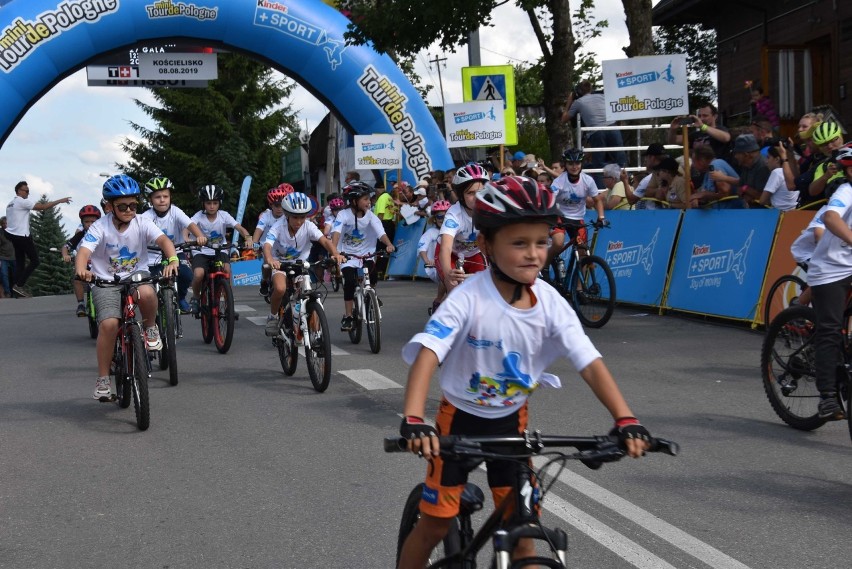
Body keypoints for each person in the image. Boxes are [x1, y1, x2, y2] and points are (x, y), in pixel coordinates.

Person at [395, 175, 651, 568]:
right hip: (458, 421)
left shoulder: (550, 302)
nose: (534, 254)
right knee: (433, 525)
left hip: (512, 424)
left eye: (541, 241)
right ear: (486, 245)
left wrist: (626, 418)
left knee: (525, 540)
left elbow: (589, 361)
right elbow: (429, 352)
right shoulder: (468, 297)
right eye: (519, 243)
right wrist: (415, 419)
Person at [75, 174, 180, 401]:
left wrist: (172, 259)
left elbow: (163, 241)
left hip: (137, 277)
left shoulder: (142, 222)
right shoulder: (100, 227)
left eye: (134, 204)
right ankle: (103, 379)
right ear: (110, 206)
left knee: (148, 291)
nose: (130, 210)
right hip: (106, 282)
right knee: (110, 324)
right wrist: (83, 269)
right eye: (123, 206)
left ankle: (150, 328)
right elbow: (84, 251)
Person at [801, 144, 852, 420]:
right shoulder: (846, 192)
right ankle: (828, 398)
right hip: (831, 269)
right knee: (830, 330)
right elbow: (831, 217)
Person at [262, 192, 344, 335]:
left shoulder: (309, 226)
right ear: (287, 215)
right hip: (280, 263)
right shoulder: (277, 226)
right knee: (280, 289)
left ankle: (311, 324)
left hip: (300, 264)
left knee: (307, 291)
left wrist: (335, 253)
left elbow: (324, 241)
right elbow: (267, 246)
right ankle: (273, 316)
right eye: (295, 217)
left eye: (302, 217)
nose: (299, 222)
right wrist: (270, 259)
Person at [330, 181, 395, 331]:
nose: (369, 202)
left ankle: (371, 293)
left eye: (369, 199)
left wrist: (389, 244)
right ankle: (348, 316)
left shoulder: (371, 216)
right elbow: (336, 233)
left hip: (367, 254)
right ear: (354, 201)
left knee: (373, 276)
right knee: (350, 282)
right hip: (347, 256)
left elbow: (381, 233)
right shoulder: (343, 215)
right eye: (365, 199)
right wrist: (334, 252)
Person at [140, 177, 207, 313]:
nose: (162, 200)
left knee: (187, 275)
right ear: (150, 200)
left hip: (175, 252)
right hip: (153, 255)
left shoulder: (175, 211)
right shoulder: (146, 216)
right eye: (158, 197)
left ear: (171, 197)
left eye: (166, 196)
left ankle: (181, 297)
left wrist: (200, 235)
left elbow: (190, 224)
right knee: (150, 284)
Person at [188, 185, 253, 315]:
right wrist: (187, 239)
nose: (212, 206)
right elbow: (187, 227)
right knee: (199, 274)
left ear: (220, 203)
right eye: (208, 203)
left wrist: (248, 238)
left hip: (219, 250)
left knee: (227, 270)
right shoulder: (198, 216)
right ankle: (195, 297)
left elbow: (239, 228)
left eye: (215, 203)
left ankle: (229, 303)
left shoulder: (224, 215)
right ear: (203, 203)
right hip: (201, 251)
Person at [4, 181, 72, 297]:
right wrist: (60, 200)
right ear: (19, 191)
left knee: (20, 262)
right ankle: (19, 285)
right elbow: (43, 207)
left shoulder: (10, 203)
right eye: (26, 191)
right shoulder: (21, 202)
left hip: (12, 235)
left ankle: (16, 290)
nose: (28, 194)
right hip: (22, 236)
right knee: (35, 261)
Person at [547, 148, 605, 269]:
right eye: (570, 163)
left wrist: (601, 217)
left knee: (583, 253)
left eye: (577, 163)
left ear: (581, 164)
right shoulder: (559, 181)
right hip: (560, 216)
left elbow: (597, 200)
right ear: (566, 165)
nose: (574, 167)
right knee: (558, 243)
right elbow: (550, 198)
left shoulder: (588, 180)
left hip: (578, 219)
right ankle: (545, 266)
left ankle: (579, 288)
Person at [437, 164, 491, 293]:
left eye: (480, 192)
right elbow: (446, 248)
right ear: (461, 195)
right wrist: (448, 273)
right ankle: (440, 301)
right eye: (470, 193)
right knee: (454, 289)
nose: (477, 197)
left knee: (484, 289)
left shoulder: (490, 211)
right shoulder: (454, 215)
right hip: (451, 254)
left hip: (474, 254)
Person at [563, 80, 626, 186]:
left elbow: (564, 119)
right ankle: (625, 187)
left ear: (577, 92)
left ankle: (600, 192)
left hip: (596, 132)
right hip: (613, 128)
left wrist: (569, 101)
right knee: (621, 161)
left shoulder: (578, 102)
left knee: (599, 165)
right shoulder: (603, 96)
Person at [61, 205, 102, 316]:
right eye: (86, 222)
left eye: (93, 222)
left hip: (99, 266)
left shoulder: (103, 233)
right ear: (82, 223)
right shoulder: (80, 235)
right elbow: (66, 247)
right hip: (84, 264)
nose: (89, 224)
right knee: (77, 278)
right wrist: (66, 255)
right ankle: (81, 304)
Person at [255, 185, 293, 297]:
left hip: (283, 246)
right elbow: (258, 230)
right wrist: (254, 243)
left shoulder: (288, 215)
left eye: (281, 205)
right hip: (268, 246)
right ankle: (265, 281)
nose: (279, 208)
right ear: (271, 205)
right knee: (267, 265)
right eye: (276, 205)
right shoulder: (265, 216)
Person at [418, 199, 451, 314]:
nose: (442, 219)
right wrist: (427, 260)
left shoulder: (454, 231)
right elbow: (422, 248)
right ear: (434, 219)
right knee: (447, 276)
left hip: (454, 263)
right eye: (439, 217)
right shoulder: (431, 232)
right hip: (436, 266)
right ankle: (438, 300)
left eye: (445, 216)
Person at [667, 104, 732, 161]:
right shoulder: (695, 134)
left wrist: (702, 126)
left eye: (705, 116)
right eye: (699, 116)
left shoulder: (720, 129)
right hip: (699, 171)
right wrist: (673, 129)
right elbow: (673, 141)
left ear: (715, 116)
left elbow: (726, 138)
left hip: (716, 170)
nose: (701, 118)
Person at [807, 121, 846, 203]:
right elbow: (812, 192)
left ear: (841, 136)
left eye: (833, 140)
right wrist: (826, 176)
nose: (830, 146)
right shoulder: (823, 166)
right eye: (824, 144)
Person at [758, 144, 799, 211]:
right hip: (795, 213)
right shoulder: (794, 170)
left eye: (768, 157)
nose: (766, 161)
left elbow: (762, 201)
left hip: (779, 215)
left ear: (777, 159)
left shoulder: (777, 172)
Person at [629, 143, 667, 209]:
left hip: (656, 216)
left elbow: (631, 200)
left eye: (647, 157)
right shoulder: (655, 174)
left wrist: (624, 181)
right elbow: (648, 191)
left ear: (652, 158)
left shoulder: (648, 179)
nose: (645, 160)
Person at [0, 216, 16, 298]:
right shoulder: (0, 232)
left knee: (15, 275)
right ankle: (7, 292)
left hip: (14, 257)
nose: (5, 225)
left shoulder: (14, 231)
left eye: (6, 223)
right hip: (3, 257)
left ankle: (15, 290)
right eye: (3, 224)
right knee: (4, 275)